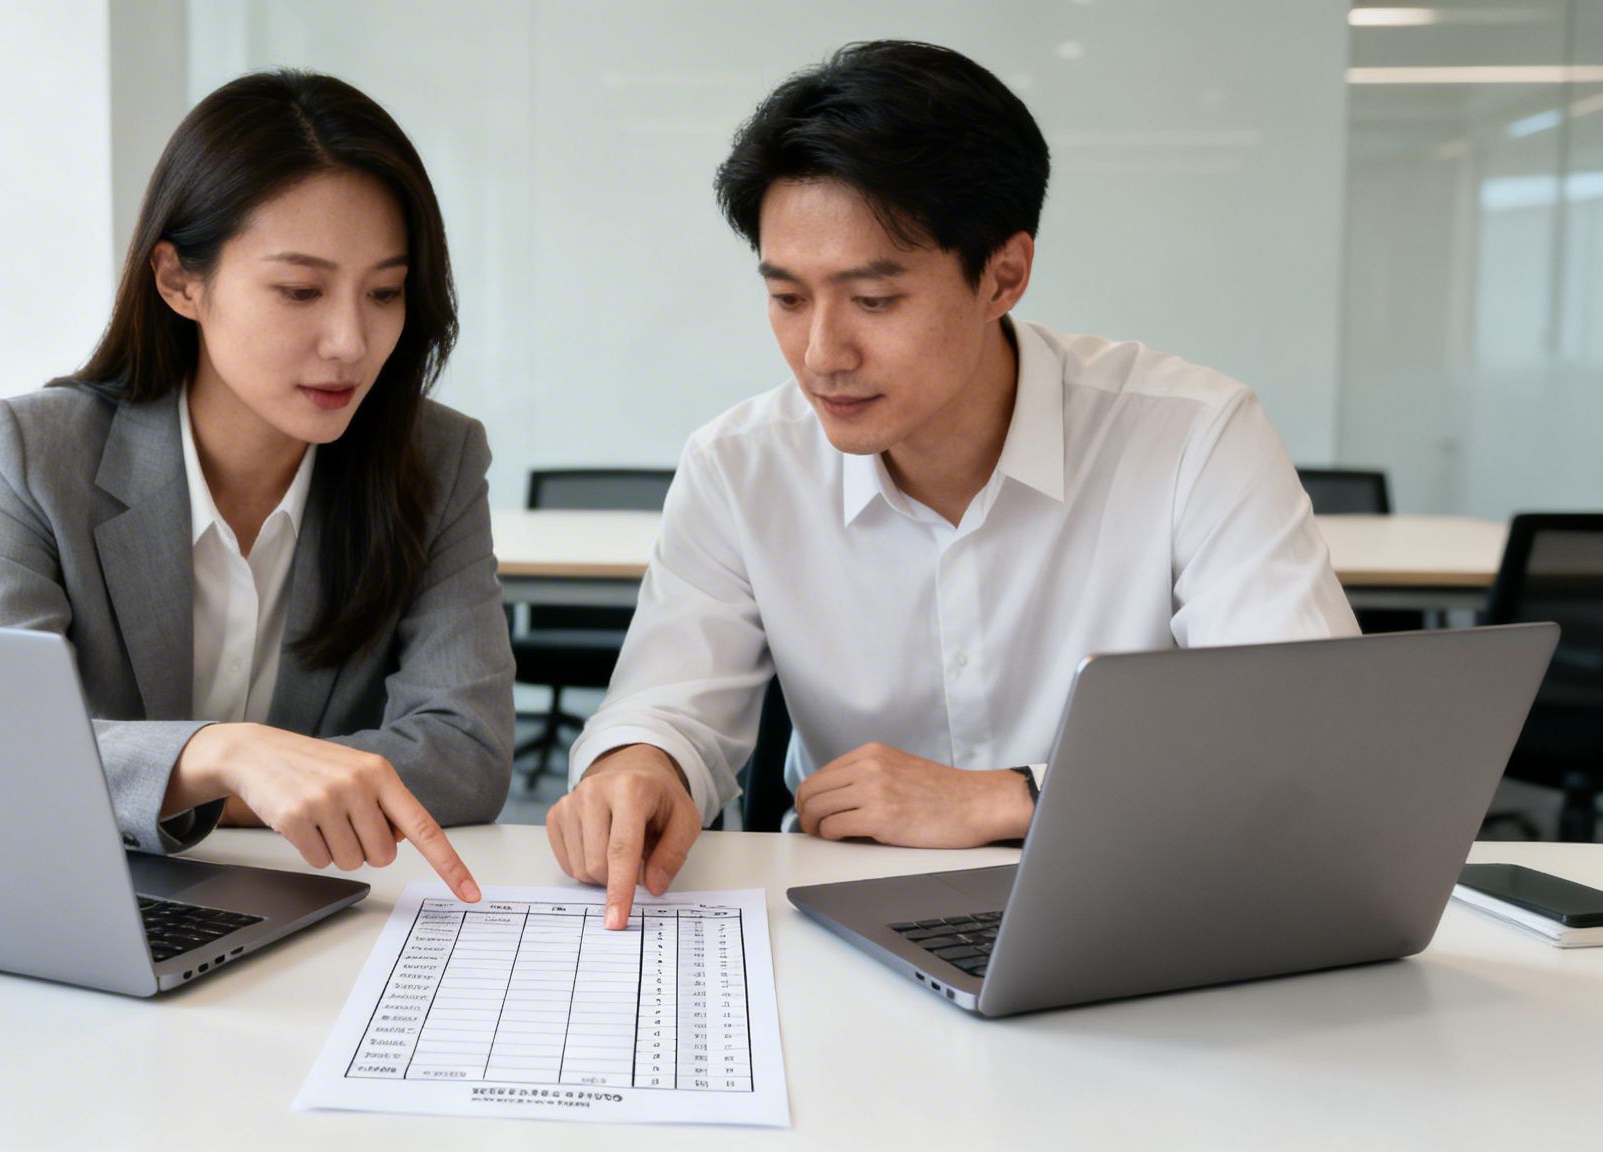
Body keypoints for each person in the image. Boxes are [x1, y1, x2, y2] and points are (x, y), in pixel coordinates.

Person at [546, 41, 1358, 927]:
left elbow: (1310, 740)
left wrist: (1014, 795)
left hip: (1138, 907)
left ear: (1003, 276)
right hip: (842, 918)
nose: (822, 354)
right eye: (788, 298)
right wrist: (638, 767)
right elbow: (667, 706)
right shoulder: (741, 465)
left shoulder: (1192, 435)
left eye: (874, 301)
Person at [0, 71, 513, 901]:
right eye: (300, 291)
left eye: (385, 292)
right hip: (78, 904)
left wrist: (204, 784)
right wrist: (222, 755)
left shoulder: (438, 458)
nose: (351, 342)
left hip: (321, 909)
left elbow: (467, 754)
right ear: (180, 281)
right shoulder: (34, 452)